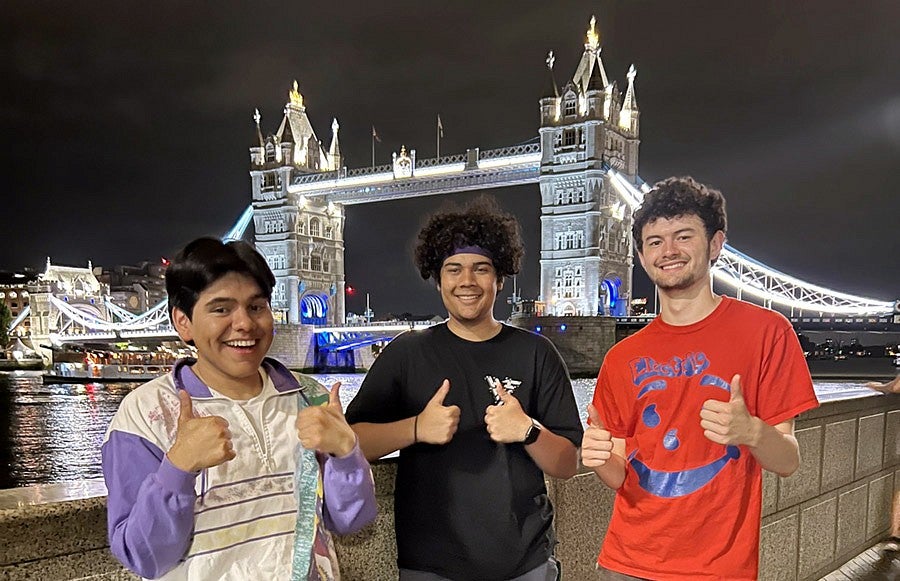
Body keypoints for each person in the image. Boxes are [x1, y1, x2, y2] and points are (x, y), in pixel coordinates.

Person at [582, 177, 819, 580]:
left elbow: (788, 461)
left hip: (718, 569)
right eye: (654, 241)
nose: (668, 251)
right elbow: (621, 474)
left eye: (683, 236)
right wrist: (599, 459)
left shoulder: (767, 332)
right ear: (640, 256)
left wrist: (752, 432)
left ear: (716, 244)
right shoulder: (621, 357)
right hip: (625, 564)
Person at [102, 238, 376, 580]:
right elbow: (143, 556)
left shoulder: (311, 397)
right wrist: (179, 467)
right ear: (182, 321)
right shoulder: (144, 413)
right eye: (221, 309)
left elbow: (351, 520)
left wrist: (346, 453)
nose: (244, 323)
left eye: (256, 307)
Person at [345, 196, 583, 581]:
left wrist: (527, 430)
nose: (467, 281)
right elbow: (351, 442)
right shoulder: (406, 353)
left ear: (500, 278)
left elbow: (567, 464)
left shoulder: (536, 353)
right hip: (430, 566)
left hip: (526, 564)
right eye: (453, 269)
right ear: (437, 279)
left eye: (481, 269)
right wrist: (416, 428)